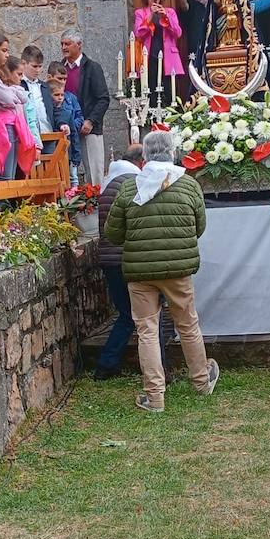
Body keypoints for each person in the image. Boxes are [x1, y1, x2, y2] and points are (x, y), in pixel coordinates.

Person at [104, 129, 219, 413]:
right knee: (188, 324)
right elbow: (198, 227)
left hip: (140, 271)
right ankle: (202, 382)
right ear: (172, 152)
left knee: (146, 330)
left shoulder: (129, 188)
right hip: (178, 269)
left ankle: (155, 397)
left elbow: (113, 234)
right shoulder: (189, 185)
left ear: (144, 156)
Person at [95, 144, 168, 381]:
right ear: (141, 162)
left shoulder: (109, 183)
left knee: (126, 314)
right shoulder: (135, 183)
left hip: (108, 259)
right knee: (149, 314)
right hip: (131, 257)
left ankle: (107, 363)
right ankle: (158, 369)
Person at [0, 30, 36, 181]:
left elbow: (22, 97)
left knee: (11, 174)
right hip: (1, 127)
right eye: (4, 50)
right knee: (4, 175)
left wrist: (11, 91)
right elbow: (8, 98)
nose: (7, 55)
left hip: (13, 125)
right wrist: (11, 92)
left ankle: (7, 205)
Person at [60, 28, 109, 184]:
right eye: (62, 44)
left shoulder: (92, 68)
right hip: (66, 128)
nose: (63, 47)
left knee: (95, 173)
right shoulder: (59, 68)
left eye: (67, 44)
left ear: (79, 45)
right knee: (65, 172)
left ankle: (97, 203)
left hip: (89, 128)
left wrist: (90, 121)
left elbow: (103, 99)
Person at [134, 0, 185, 107]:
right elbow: (138, 33)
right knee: (151, 91)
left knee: (171, 91)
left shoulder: (170, 12)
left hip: (168, 57)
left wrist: (166, 17)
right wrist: (150, 15)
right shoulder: (140, 13)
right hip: (150, 57)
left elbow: (178, 33)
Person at [48, 62, 83, 184]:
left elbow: (79, 116)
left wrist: (71, 124)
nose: (62, 82)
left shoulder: (70, 98)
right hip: (55, 142)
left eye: (64, 79)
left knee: (72, 177)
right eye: (59, 78)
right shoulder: (47, 98)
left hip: (70, 140)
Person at [20, 45, 54, 149]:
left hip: (48, 133)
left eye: (40, 66)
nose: (38, 70)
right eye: (34, 66)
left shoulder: (44, 86)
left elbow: (52, 109)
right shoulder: (19, 86)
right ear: (24, 63)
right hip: (28, 137)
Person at [177, 0, 211, 65]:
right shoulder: (192, 3)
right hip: (196, 46)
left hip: (211, 43)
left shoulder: (213, 4)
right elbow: (183, 5)